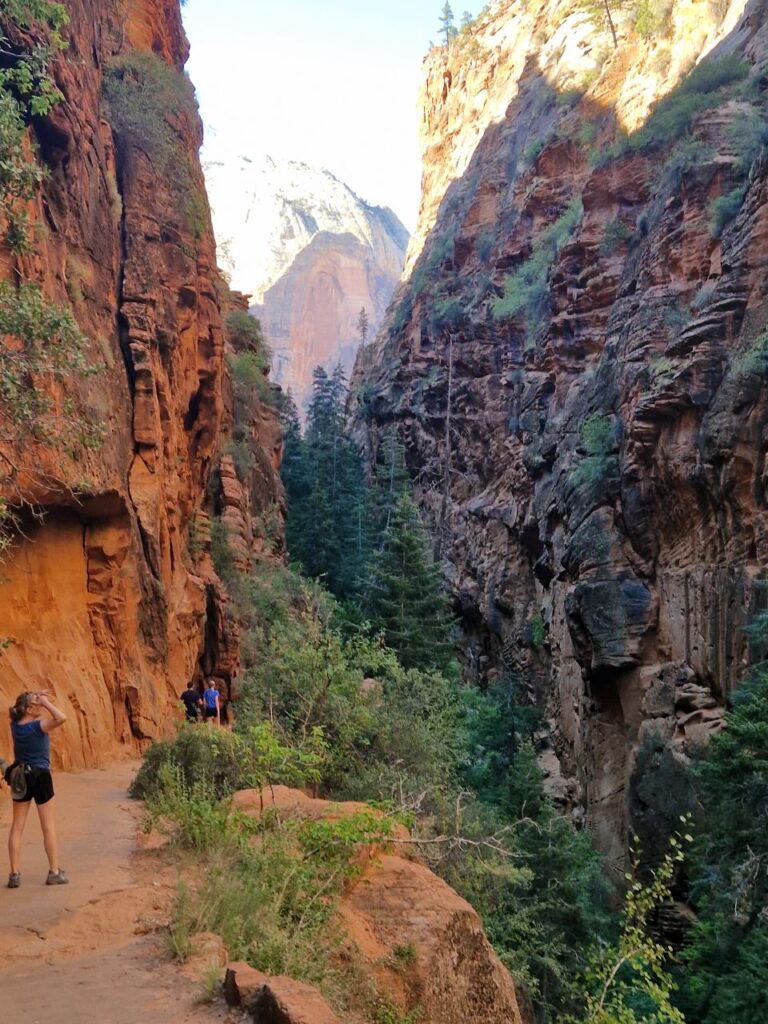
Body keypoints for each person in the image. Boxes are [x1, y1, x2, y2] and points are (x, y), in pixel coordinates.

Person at [6, 690, 68, 888]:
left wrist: (36, 697)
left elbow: (22, 709)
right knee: (48, 825)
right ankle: (54, 872)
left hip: (20, 776)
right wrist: (47, 703)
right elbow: (61, 718)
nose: (40, 704)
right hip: (40, 776)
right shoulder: (37, 727)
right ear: (28, 709)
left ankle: (14, 874)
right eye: (37, 703)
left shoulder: (15, 726)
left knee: (17, 825)